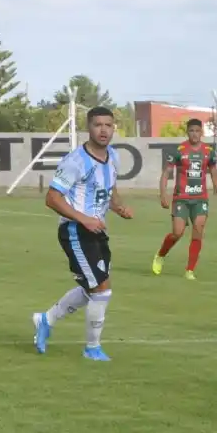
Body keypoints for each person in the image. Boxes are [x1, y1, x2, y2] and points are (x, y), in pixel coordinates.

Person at [32, 106, 133, 362]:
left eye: (108, 125)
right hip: (75, 230)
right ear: (88, 128)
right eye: (98, 125)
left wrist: (118, 206)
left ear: (114, 128)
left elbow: (108, 190)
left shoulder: (113, 156)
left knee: (93, 288)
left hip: (95, 230)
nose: (103, 130)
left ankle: (46, 320)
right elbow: (52, 198)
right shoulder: (76, 161)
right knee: (101, 290)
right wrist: (84, 219)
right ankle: (92, 348)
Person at [152, 118, 217, 279]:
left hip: (200, 199)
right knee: (177, 233)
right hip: (181, 199)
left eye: (197, 131)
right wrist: (163, 194)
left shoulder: (208, 152)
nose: (194, 134)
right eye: (191, 130)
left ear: (202, 132)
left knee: (198, 231)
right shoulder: (179, 150)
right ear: (187, 132)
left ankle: (190, 270)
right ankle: (161, 254)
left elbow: (214, 175)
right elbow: (166, 173)